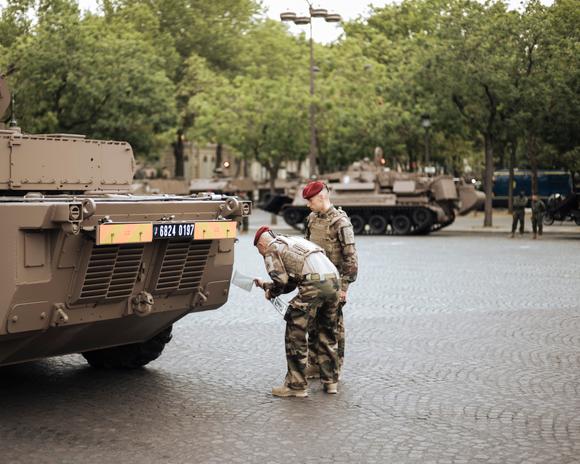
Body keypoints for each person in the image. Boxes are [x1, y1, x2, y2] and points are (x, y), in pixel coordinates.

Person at [253, 226, 341, 398]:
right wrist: (265, 285)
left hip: (314, 284)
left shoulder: (271, 248)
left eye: (259, 251)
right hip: (334, 280)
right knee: (327, 331)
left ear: (261, 245)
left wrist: (271, 292)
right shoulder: (293, 242)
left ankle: (297, 385)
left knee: (296, 332)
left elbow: (281, 281)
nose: (262, 254)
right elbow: (291, 282)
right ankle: (331, 382)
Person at [302, 181, 358, 379]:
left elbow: (350, 257)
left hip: (333, 283)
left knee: (333, 326)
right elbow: (307, 248)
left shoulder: (340, 222)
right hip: (314, 281)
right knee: (312, 324)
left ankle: (334, 368)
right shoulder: (312, 218)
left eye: (310, 201)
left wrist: (344, 287)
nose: (308, 205)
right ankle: (315, 364)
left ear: (321, 197)